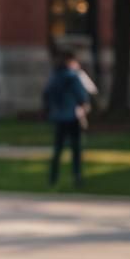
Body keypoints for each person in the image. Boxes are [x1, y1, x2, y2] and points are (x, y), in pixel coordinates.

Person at [43, 48, 91, 187]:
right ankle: (77, 177)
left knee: (58, 149)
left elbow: (46, 94)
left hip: (59, 116)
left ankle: (53, 177)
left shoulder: (55, 76)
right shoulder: (73, 76)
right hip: (72, 116)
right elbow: (81, 96)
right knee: (75, 149)